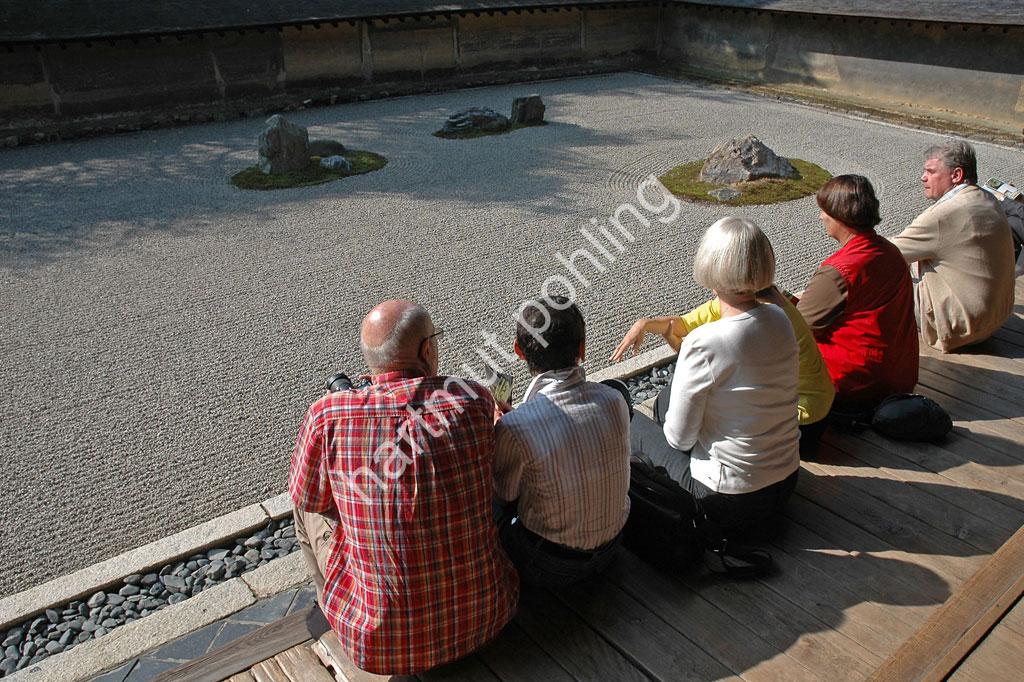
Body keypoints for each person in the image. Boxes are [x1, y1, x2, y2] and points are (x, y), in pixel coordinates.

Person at [288, 300, 518, 675]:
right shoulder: (473, 399)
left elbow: (311, 498)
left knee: (302, 504)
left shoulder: (327, 414)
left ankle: (333, 603)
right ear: (427, 350)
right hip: (487, 617)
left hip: (377, 647)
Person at [629, 217, 800, 534]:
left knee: (629, 419)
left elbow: (679, 439)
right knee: (667, 399)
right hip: (785, 484)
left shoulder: (705, 341)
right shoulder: (780, 318)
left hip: (726, 501)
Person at [493, 296, 631, 587]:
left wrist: (497, 435)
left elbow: (505, 495)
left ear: (519, 351)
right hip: (613, 546)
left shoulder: (516, 426)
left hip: (549, 565)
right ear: (582, 348)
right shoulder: (615, 400)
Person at [612, 278, 834, 458]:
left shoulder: (752, 327)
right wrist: (646, 324)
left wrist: (683, 347)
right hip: (811, 410)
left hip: (799, 424)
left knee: (667, 410)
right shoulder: (769, 304)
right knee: (672, 401)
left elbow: (682, 434)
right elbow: (680, 325)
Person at [798, 174, 918, 410]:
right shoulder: (890, 252)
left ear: (839, 216)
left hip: (858, 384)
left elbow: (797, 329)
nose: (821, 216)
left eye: (824, 210)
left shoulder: (839, 271)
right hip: (900, 376)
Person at [890, 141, 1016, 352]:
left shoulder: (945, 214)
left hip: (961, 327)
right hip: (993, 319)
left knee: (877, 270)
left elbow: (885, 253)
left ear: (956, 175)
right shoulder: (986, 198)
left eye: (930, 171)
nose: (923, 177)